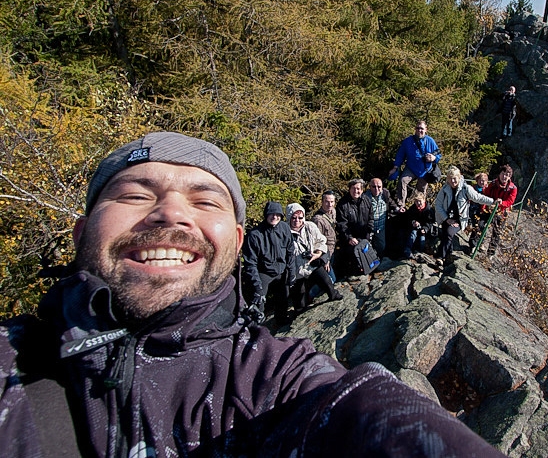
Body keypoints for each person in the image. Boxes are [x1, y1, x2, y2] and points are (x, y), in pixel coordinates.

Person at [0, 131, 506, 457]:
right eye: (135, 195)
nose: (171, 215)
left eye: (205, 200)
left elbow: (361, 410)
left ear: (235, 240)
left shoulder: (273, 378)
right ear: (81, 231)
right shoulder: (11, 364)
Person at [242, 200, 296, 325]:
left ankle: (281, 322)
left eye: (278, 214)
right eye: (271, 214)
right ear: (266, 215)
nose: (274, 217)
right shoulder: (255, 235)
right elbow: (250, 263)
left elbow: (290, 250)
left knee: (282, 300)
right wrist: (257, 286)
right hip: (263, 273)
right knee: (258, 302)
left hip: (281, 270)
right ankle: (255, 330)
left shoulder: (284, 228)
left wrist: (292, 271)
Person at [286, 203, 342, 309]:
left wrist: (318, 253)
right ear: (289, 217)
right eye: (294, 217)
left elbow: (322, 240)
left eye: (300, 217)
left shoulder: (309, 226)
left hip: (312, 263)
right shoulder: (284, 232)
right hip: (297, 270)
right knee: (300, 304)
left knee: (328, 284)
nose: (297, 220)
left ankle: (333, 297)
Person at [434, 166, 498, 259]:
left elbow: (478, 197)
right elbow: (438, 205)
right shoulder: (444, 189)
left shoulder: (465, 188)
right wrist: (446, 219)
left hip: (460, 218)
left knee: (449, 233)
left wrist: (492, 201)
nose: (452, 181)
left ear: (459, 177)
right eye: (450, 179)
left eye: (454, 178)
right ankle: (448, 257)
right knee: (446, 235)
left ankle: (440, 257)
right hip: (446, 217)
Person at [388, 120, 441, 206]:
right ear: (415, 129)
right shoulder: (408, 141)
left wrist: (433, 158)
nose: (419, 130)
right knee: (402, 181)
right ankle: (401, 205)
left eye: (422, 128)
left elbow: (438, 155)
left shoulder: (430, 141)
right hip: (411, 168)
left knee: (421, 192)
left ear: (426, 129)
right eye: (418, 128)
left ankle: (419, 209)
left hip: (424, 171)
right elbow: (400, 155)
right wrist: (395, 167)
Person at [477, 165, 518, 255]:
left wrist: (501, 203)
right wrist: (484, 207)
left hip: (502, 212)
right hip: (489, 209)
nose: (504, 177)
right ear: (499, 174)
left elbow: (510, 201)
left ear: (509, 177)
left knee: (496, 232)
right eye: (503, 174)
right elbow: (486, 194)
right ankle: (478, 244)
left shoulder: (513, 188)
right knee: (480, 224)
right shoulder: (493, 183)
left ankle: (490, 253)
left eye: (507, 175)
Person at [335, 178, 373, 274]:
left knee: (367, 260)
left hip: (364, 237)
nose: (356, 191)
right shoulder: (342, 204)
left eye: (358, 188)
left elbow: (371, 218)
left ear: (362, 189)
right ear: (349, 189)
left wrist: (369, 233)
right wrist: (350, 238)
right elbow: (341, 224)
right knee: (353, 263)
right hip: (350, 239)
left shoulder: (367, 200)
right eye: (353, 188)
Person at [364, 177, 402, 258]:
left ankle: (380, 264)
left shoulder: (385, 194)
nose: (376, 189)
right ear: (370, 187)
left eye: (379, 186)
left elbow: (391, 202)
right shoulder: (365, 198)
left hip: (381, 228)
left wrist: (398, 209)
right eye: (374, 187)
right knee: (367, 250)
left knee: (381, 248)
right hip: (369, 229)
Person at [311, 190, 338, 283]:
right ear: (322, 202)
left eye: (332, 202)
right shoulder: (318, 220)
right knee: (330, 280)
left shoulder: (333, 212)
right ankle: (311, 295)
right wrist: (325, 259)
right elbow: (317, 242)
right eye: (327, 201)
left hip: (333, 250)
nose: (329, 204)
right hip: (324, 254)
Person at [401, 191, 436, 258]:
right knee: (412, 235)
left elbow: (431, 222)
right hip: (415, 228)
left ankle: (420, 253)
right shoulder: (413, 208)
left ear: (424, 200)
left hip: (424, 229)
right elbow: (409, 217)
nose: (418, 203)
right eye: (416, 201)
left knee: (421, 240)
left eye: (420, 201)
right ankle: (407, 250)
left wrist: (425, 228)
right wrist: (413, 222)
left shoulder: (429, 210)